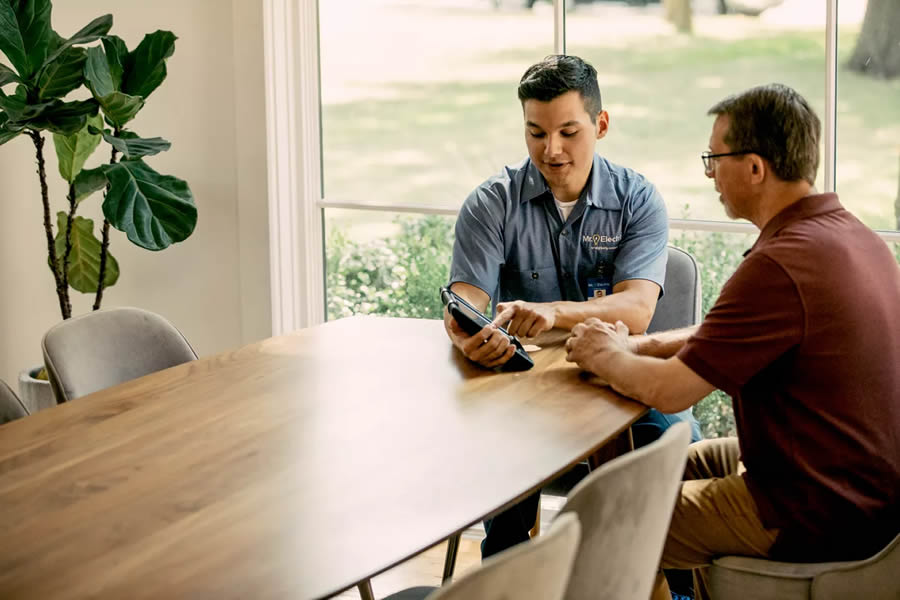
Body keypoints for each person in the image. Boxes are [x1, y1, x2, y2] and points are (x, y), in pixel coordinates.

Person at [565, 83, 900, 600]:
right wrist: (635, 347)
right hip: (853, 481)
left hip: (813, 505)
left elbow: (673, 393)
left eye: (713, 158)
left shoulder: (779, 264)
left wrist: (603, 353)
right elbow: (720, 335)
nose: (709, 174)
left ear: (755, 168)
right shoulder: (851, 236)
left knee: (604, 530)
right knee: (650, 472)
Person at [444, 54, 701, 560]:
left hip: (620, 386)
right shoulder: (489, 203)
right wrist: (467, 333)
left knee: (679, 448)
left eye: (568, 131)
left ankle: (670, 583)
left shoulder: (637, 199)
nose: (551, 150)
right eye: (535, 133)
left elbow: (636, 310)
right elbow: (465, 304)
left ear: (600, 125)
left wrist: (555, 312)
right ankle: (508, 581)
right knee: (497, 467)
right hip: (521, 393)